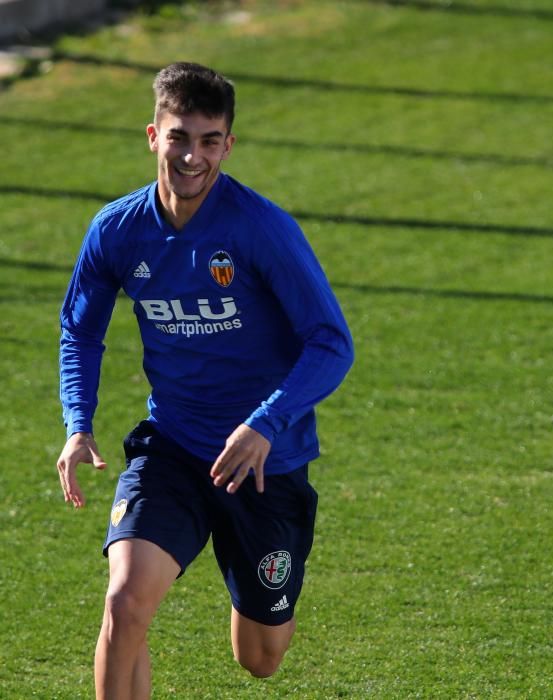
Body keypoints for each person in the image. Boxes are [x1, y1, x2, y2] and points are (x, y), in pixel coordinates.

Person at [55, 62, 354, 699]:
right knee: (125, 604)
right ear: (152, 135)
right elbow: (80, 330)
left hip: (266, 463)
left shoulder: (260, 229)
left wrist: (264, 424)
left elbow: (332, 343)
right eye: (179, 137)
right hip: (174, 447)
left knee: (261, 658)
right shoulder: (116, 230)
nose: (193, 156)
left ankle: (252, 588)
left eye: (209, 140)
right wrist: (77, 425)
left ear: (228, 144)